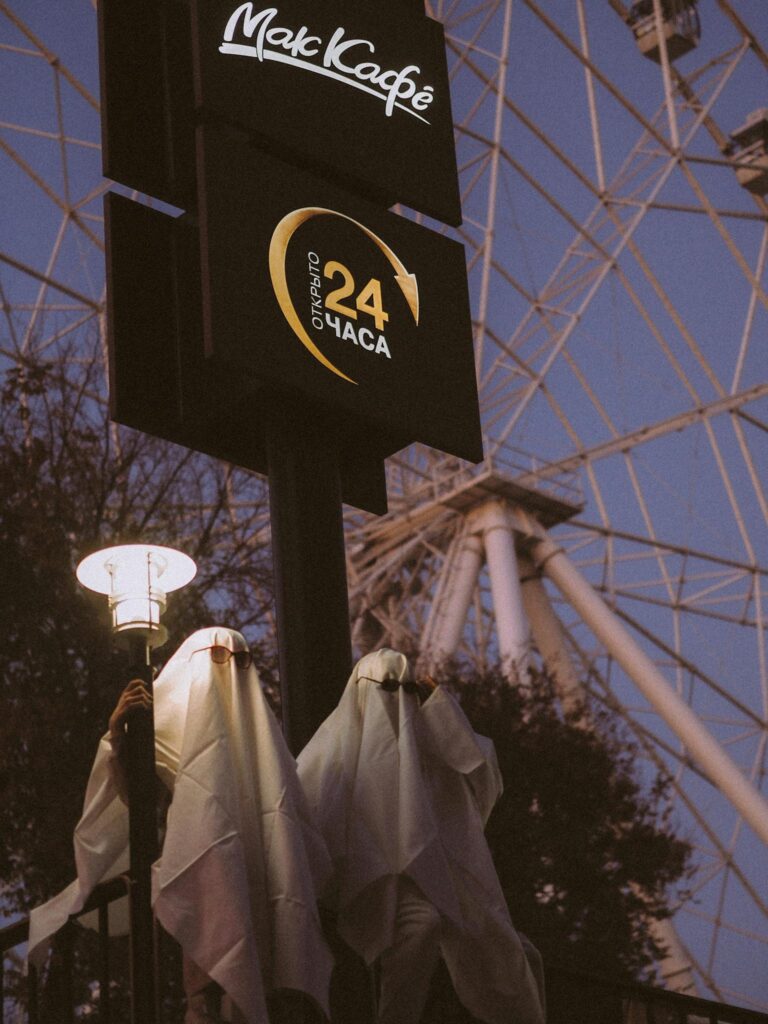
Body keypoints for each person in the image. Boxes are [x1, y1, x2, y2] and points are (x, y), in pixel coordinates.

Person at [28, 626, 333, 1024]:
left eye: (236, 660)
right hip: (206, 873)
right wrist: (120, 735)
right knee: (212, 986)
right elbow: (136, 798)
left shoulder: (265, 747)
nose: (226, 671)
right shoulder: (178, 733)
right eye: (216, 658)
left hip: (251, 876)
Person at [296, 648, 546, 1024]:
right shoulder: (332, 747)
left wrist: (440, 706)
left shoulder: (425, 758)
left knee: (503, 951)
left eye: (404, 689)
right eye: (386, 688)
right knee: (425, 925)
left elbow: (480, 775)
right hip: (352, 885)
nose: (394, 701)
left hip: (414, 885)